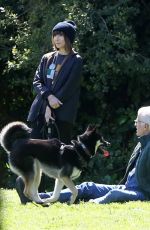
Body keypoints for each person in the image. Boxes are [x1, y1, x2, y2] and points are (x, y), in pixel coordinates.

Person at [16, 106, 150, 204]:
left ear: (146, 126)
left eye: (138, 122)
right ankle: (38, 196)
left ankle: (94, 203)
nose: (135, 124)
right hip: (127, 187)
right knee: (87, 186)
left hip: (141, 192)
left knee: (114, 194)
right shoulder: (141, 143)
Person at [15, 20, 82, 194]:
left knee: (60, 155)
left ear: (69, 38)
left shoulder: (76, 61)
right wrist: (48, 98)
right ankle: (35, 190)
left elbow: (69, 88)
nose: (57, 38)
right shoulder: (47, 58)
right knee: (36, 150)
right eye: (55, 35)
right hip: (39, 111)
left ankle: (58, 194)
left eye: (61, 35)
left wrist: (52, 104)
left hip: (63, 114)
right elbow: (37, 81)